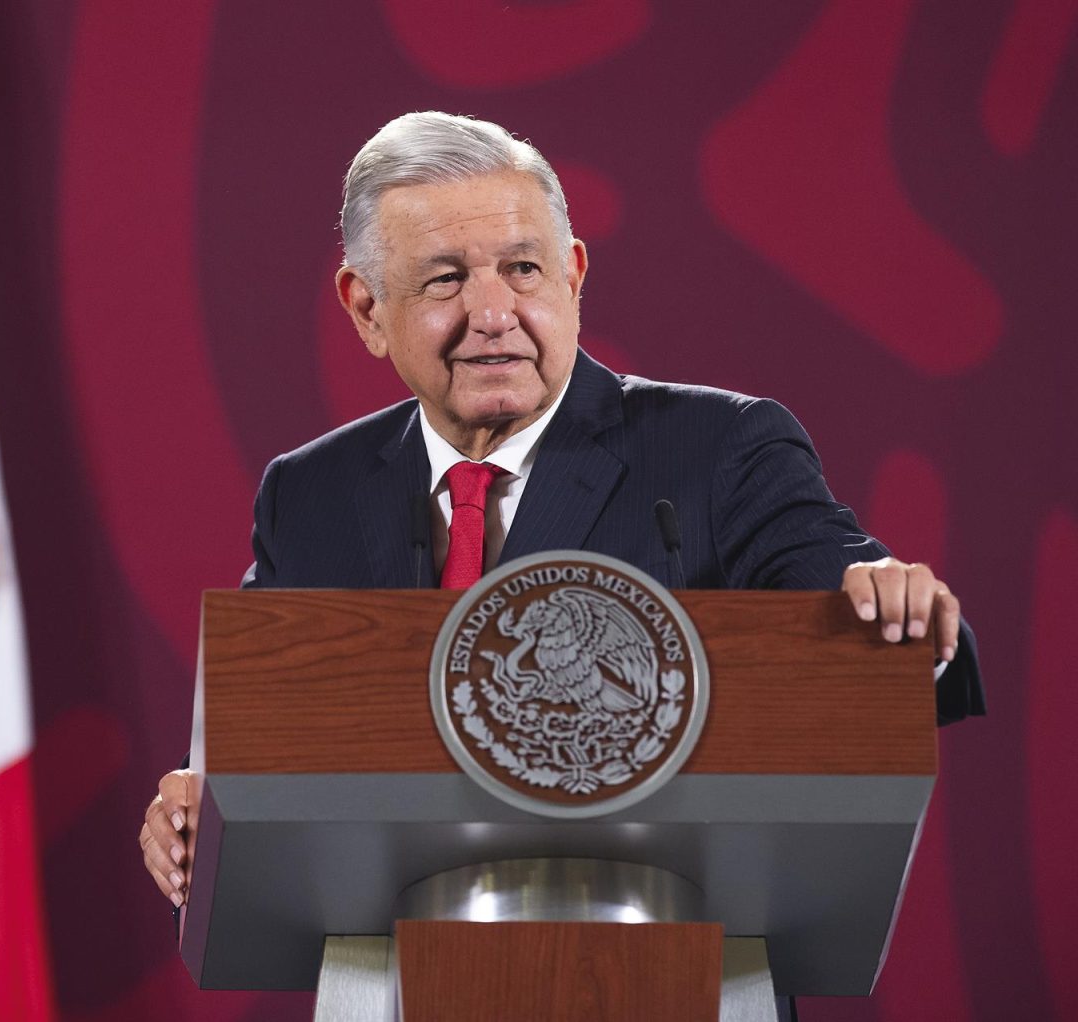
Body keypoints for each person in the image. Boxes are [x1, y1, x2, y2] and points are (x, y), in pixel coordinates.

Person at [137, 111, 984, 910]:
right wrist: (189, 800)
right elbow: (252, 728)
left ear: (573, 276)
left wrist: (903, 622)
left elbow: (851, 594)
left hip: (677, 954)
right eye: (445, 280)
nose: (493, 314)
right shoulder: (312, 492)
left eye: (522, 268)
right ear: (367, 309)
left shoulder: (718, 448)